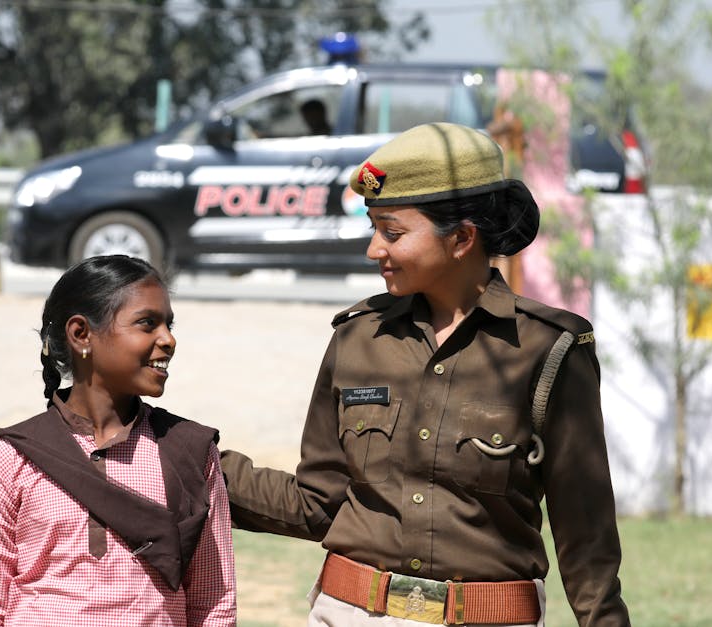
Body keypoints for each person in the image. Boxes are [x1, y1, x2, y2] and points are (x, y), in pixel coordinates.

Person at [221, 123, 630, 626]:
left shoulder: (548, 348)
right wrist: (181, 455)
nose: (375, 249)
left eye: (392, 233)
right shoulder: (357, 339)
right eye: (374, 229)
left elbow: (584, 533)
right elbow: (317, 504)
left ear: (461, 238)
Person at [0, 255, 236, 626]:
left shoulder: (189, 450)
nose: (168, 339)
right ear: (81, 335)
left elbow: (213, 605)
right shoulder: (14, 456)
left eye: (168, 324)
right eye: (147, 323)